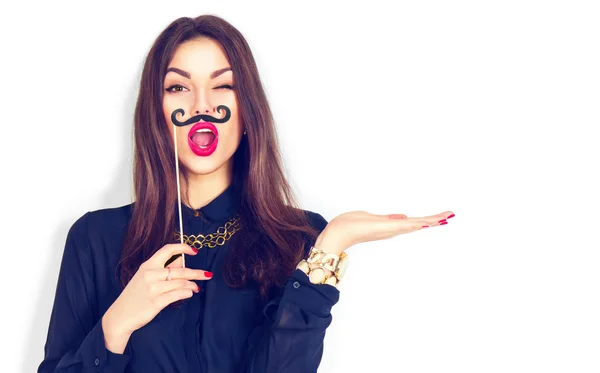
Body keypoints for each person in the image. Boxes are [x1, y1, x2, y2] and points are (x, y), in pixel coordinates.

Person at [37, 14, 454, 373]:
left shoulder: (297, 237)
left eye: (223, 86)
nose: (202, 106)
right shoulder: (95, 238)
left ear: (247, 108)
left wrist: (332, 245)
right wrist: (115, 327)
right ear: (155, 111)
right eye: (178, 88)